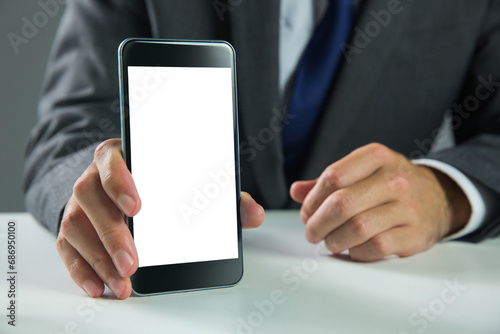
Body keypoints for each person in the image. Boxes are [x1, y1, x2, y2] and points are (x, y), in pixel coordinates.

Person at [24, 0, 500, 300]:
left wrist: (446, 195)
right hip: (179, 302)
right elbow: (67, 131)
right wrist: (88, 193)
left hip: (378, 295)